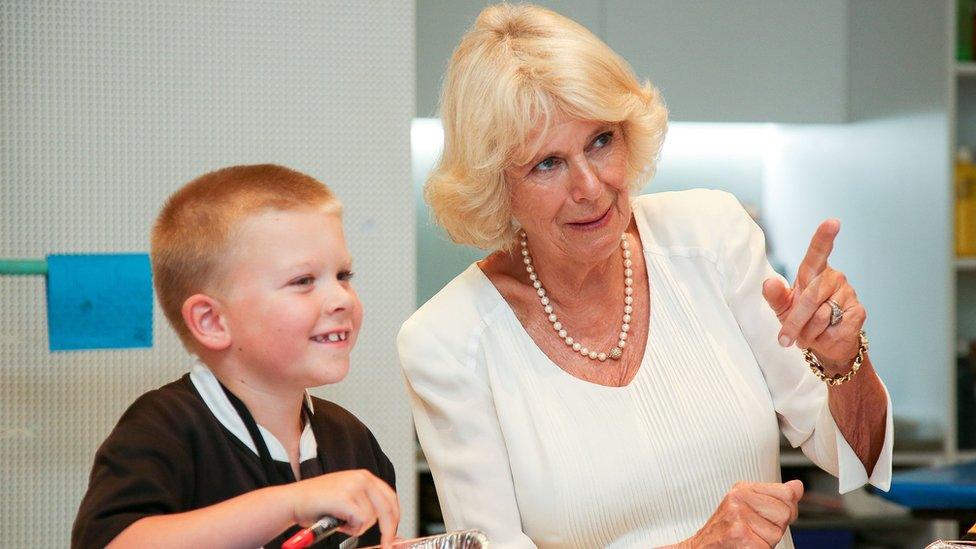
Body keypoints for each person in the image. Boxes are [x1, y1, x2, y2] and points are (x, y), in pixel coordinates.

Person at [397, 4, 892, 548]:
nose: (590, 185)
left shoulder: (712, 237)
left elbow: (858, 456)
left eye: (601, 141)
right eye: (547, 164)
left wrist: (846, 360)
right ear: (496, 186)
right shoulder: (447, 341)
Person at [73, 165, 399, 549]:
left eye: (343, 275)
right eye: (303, 281)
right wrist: (290, 503)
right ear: (212, 321)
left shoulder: (351, 438)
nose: (342, 298)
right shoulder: (166, 426)